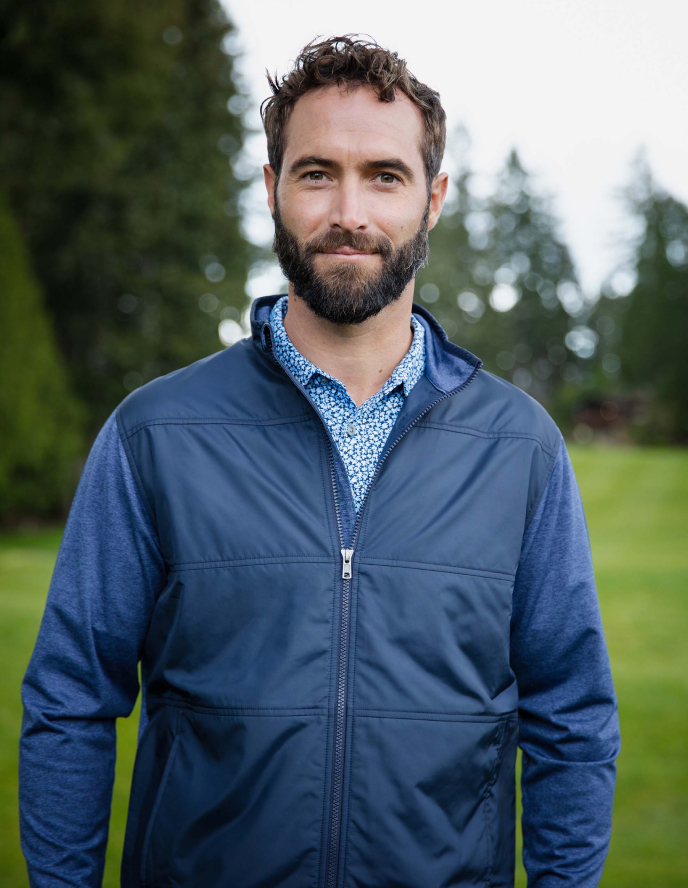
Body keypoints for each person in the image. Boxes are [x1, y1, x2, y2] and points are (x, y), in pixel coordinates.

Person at [19, 34, 620, 888]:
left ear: (434, 197)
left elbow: (573, 720)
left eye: (385, 175)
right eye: (315, 174)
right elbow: (72, 702)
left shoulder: (521, 449)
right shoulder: (153, 433)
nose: (351, 212)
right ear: (271, 189)